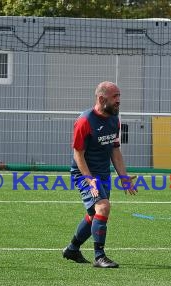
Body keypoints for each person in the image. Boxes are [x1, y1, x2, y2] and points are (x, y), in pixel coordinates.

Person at [62, 81, 137, 268]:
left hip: (103, 173)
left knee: (95, 214)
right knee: (103, 207)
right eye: (115, 97)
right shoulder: (84, 121)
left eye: (119, 96)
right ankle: (99, 256)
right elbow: (77, 154)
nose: (119, 101)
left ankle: (72, 249)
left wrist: (124, 177)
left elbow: (115, 150)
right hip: (84, 173)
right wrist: (90, 180)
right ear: (101, 98)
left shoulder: (115, 119)